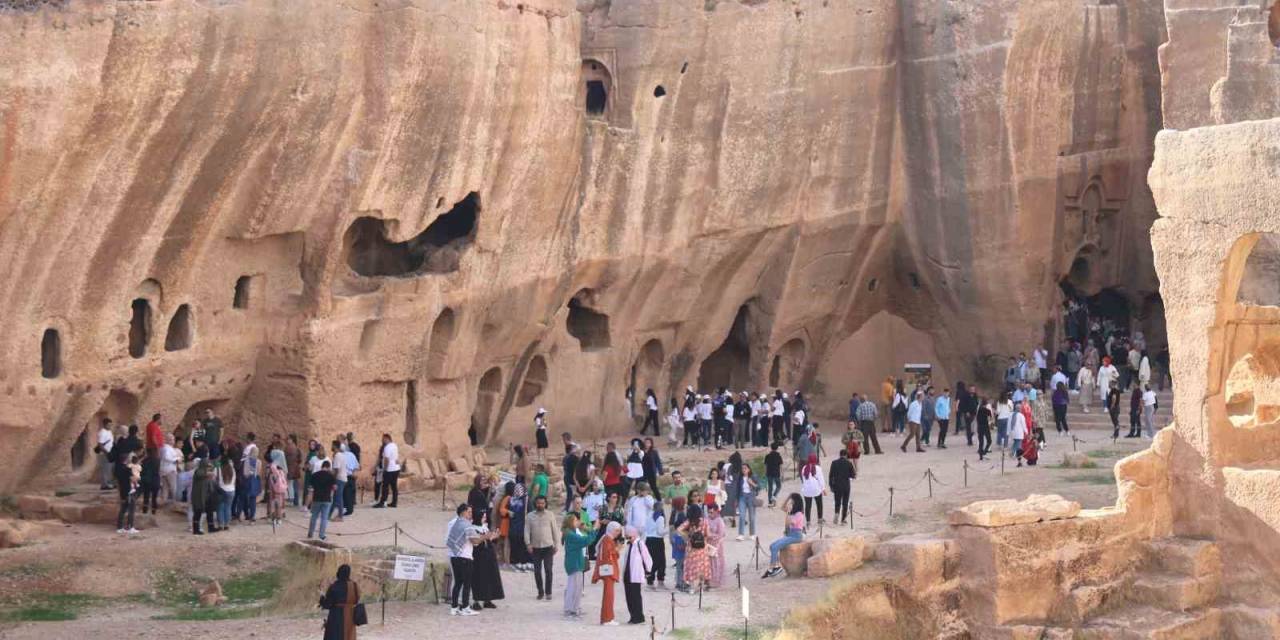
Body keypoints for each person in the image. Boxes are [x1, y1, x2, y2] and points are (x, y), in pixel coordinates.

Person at [761, 494, 806, 579]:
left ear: (796, 502)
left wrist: (788, 512)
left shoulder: (799, 514)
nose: (790, 503)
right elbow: (782, 507)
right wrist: (788, 497)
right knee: (772, 546)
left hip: (796, 536)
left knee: (775, 547)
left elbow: (790, 523)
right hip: (790, 535)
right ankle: (777, 565)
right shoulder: (792, 512)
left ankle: (772, 568)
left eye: (792, 501)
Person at [446, 504, 480, 616]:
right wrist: (486, 536)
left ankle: (454, 607)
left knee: (458, 582)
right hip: (465, 556)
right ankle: (465, 607)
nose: (471, 514)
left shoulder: (453, 523)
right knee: (467, 583)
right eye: (469, 512)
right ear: (463, 512)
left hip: (453, 556)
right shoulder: (466, 524)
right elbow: (475, 541)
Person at [525, 495, 561, 600]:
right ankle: (540, 592)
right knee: (537, 571)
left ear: (545, 504)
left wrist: (556, 544)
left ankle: (548, 592)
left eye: (542, 503)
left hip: (548, 547)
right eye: (538, 503)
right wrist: (528, 544)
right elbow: (526, 531)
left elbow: (555, 530)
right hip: (535, 547)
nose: (540, 505)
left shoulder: (550, 515)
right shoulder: (530, 516)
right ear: (535, 504)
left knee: (548, 570)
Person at [469, 513, 505, 610]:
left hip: (488, 555)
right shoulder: (472, 528)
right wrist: (486, 536)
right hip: (478, 556)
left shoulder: (484, 527)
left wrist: (494, 536)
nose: (484, 518)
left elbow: (488, 540)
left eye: (485, 516)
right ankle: (476, 601)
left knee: (490, 578)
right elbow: (476, 542)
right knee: (479, 578)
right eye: (483, 516)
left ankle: (487, 600)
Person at [319, 564, 362, 640]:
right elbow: (357, 600)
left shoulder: (334, 586)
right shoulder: (354, 586)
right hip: (350, 617)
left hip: (336, 616)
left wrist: (322, 599)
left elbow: (327, 604)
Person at [593, 521, 623, 626]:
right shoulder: (607, 539)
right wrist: (617, 549)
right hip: (608, 571)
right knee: (608, 596)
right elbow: (608, 554)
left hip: (608, 570)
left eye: (619, 531)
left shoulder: (607, 538)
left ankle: (608, 617)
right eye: (616, 530)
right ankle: (607, 618)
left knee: (609, 595)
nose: (618, 533)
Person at [562, 512, 592, 618]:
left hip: (576, 561)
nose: (578, 522)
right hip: (574, 563)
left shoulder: (572, 532)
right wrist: (594, 530)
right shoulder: (570, 534)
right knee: (574, 587)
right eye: (575, 520)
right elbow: (586, 540)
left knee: (575, 587)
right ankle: (571, 610)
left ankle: (573, 608)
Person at [622, 525, 653, 624]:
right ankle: (632, 616)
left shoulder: (640, 544)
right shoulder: (628, 545)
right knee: (629, 596)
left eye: (629, 537)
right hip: (627, 574)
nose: (628, 539)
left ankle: (639, 617)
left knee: (636, 596)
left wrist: (647, 571)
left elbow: (647, 558)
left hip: (635, 575)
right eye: (627, 537)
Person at [676, 505, 710, 592]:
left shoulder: (689, 522)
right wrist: (703, 538)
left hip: (691, 548)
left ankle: (692, 588)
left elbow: (679, 530)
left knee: (692, 567)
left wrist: (687, 536)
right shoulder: (705, 522)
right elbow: (708, 534)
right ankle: (701, 587)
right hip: (702, 548)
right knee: (702, 567)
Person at [308, 461, 337, 540]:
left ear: (322, 466)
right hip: (327, 499)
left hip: (316, 498)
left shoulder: (314, 475)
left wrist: (308, 502)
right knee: (324, 518)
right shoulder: (331, 476)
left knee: (314, 516)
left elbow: (310, 489)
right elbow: (335, 488)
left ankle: (310, 533)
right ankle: (322, 535)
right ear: (328, 467)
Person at [508, 482, 532, 571]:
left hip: (524, 526)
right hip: (514, 526)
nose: (518, 491)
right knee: (515, 544)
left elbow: (530, 512)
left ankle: (525, 563)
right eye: (516, 489)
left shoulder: (526, 499)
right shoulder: (512, 500)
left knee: (524, 544)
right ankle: (516, 563)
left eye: (520, 489)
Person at [191, 459, 219, 535]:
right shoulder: (198, 471)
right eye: (207, 466)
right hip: (199, 497)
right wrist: (207, 473)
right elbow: (200, 474)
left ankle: (211, 527)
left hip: (208, 496)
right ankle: (196, 530)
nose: (208, 468)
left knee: (210, 512)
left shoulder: (207, 473)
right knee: (197, 513)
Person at [645, 501, 668, 589]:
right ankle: (660, 581)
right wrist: (668, 530)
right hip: (657, 540)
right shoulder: (660, 518)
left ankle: (650, 581)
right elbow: (660, 532)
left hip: (649, 539)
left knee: (650, 561)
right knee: (661, 561)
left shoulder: (649, 516)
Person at [372, 434, 399, 508]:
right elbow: (395, 457)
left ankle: (382, 502)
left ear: (387, 438)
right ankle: (394, 502)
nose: (382, 440)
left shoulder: (387, 447)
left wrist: (385, 469)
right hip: (396, 468)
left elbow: (386, 459)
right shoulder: (394, 445)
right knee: (394, 486)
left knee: (385, 486)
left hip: (389, 470)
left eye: (383, 439)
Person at [828, 449, 855, 525]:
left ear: (839, 455)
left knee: (837, 501)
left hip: (837, 485)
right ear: (846, 455)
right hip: (846, 485)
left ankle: (837, 513)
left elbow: (830, 476)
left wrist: (831, 485)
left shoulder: (834, 463)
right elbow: (853, 475)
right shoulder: (849, 463)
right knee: (845, 503)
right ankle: (843, 519)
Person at [669, 496, 689, 592]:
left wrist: (672, 540)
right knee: (682, 563)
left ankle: (678, 582)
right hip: (681, 539)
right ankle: (681, 582)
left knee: (679, 563)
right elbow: (683, 529)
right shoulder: (681, 515)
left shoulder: (673, 514)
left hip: (675, 539)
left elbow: (671, 528)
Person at [799, 454, 826, 523]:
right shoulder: (818, 468)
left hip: (807, 490)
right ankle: (820, 519)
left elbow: (803, 479)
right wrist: (823, 489)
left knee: (808, 505)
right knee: (819, 504)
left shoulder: (804, 468)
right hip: (816, 489)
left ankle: (808, 521)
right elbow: (821, 479)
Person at [735, 463, 759, 539]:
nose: (743, 470)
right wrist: (736, 500)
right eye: (742, 468)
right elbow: (737, 489)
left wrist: (751, 483)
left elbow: (759, 487)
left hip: (751, 497)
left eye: (745, 468)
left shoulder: (753, 476)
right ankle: (741, 534)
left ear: (749, 469)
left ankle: (752, 534)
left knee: (751, 517)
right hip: (742, 497)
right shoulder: (740, 478)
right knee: (742, 516)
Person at [139, 448, 161, 515]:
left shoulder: (145, 461)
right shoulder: (158, 460)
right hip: (156, 480)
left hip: (147, 480)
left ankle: (145, 511)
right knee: (154, 497)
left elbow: (142, 470)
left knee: (146, 497)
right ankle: (154, 511)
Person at [267, 459, 288, 525]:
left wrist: (269, 491)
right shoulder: (282, 473)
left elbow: (271, 485)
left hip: (274, 492)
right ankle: (279, 519)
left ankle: (274, 519)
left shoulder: (272, 475)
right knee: (279, 506)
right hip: (282, 491)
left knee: (274, 506)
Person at [764, 443, 783, 507]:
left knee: (770, 488)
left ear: (771, 448)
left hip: (769, 473)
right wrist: (782, 474)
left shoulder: (767, 456)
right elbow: (781, 466)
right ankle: (774, 496)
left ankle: (770, 502)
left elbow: (766, 466)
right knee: (779, 486)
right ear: (777, 448)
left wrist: (765, 473)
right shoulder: (779, 456)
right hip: (776, 473)